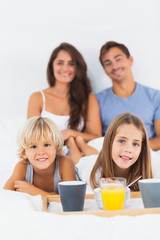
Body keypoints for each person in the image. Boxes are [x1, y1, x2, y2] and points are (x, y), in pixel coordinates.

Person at [27, 43, 102, 157]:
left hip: (78, 154)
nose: (65, 68)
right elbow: (32, 137)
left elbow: (96, 136)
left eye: (71, 64)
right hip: (46, 155)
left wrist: (71, 133)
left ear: (77, 68)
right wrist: (60, 137)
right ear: (52, 66)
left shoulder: (88, 98)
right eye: (60, 63)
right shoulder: (37, 98)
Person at [96, 41, 160, 151]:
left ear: (130, 60)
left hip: (147, 156)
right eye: (108, 63)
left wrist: (133, 150)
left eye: (118, 59)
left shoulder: (155, 96)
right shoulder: (97, 100)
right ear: (105, 70)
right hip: (112, 158)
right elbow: (96, 139)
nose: (114, 66)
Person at [3, 117, 76, 196]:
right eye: (33, 147)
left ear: (57, 148)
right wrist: (53, 195)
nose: (41, 152)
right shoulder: (23, 167)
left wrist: (34, 191)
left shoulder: (65, 163)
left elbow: (71, 197)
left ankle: (73, 142)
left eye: (46, 145)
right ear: (24, 153)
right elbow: (6, 194)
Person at [89, 113, 153, 191]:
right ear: (109, 142)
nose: (128, 149)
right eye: (122, 141)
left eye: (135, 144)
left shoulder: (148, 174)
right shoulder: (93, 172)